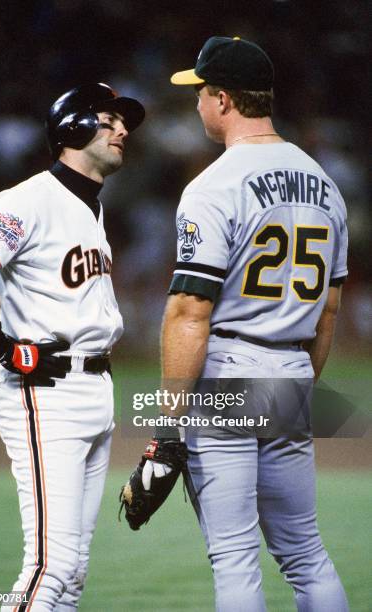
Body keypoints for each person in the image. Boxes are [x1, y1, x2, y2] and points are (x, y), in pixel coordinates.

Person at [139, 37, 349, 611]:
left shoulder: (213, 186)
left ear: (224, 99)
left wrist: (166, 430)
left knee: (233, 558)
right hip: (292, 370)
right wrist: (299, 384)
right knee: (306, 553)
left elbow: (189, 312)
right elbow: (328, 312)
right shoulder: (325, 185)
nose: (198, 104)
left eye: (201, 93)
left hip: (229, 373)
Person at [0, 82, 144, 610]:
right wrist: (3, 347)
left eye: (123, 121)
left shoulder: (91, 207)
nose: (122, 129)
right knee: (51, 566)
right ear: (72, 128)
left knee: (71, 573)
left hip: (93, 389)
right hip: (44, 388)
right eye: (108, 118)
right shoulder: (27, 199)